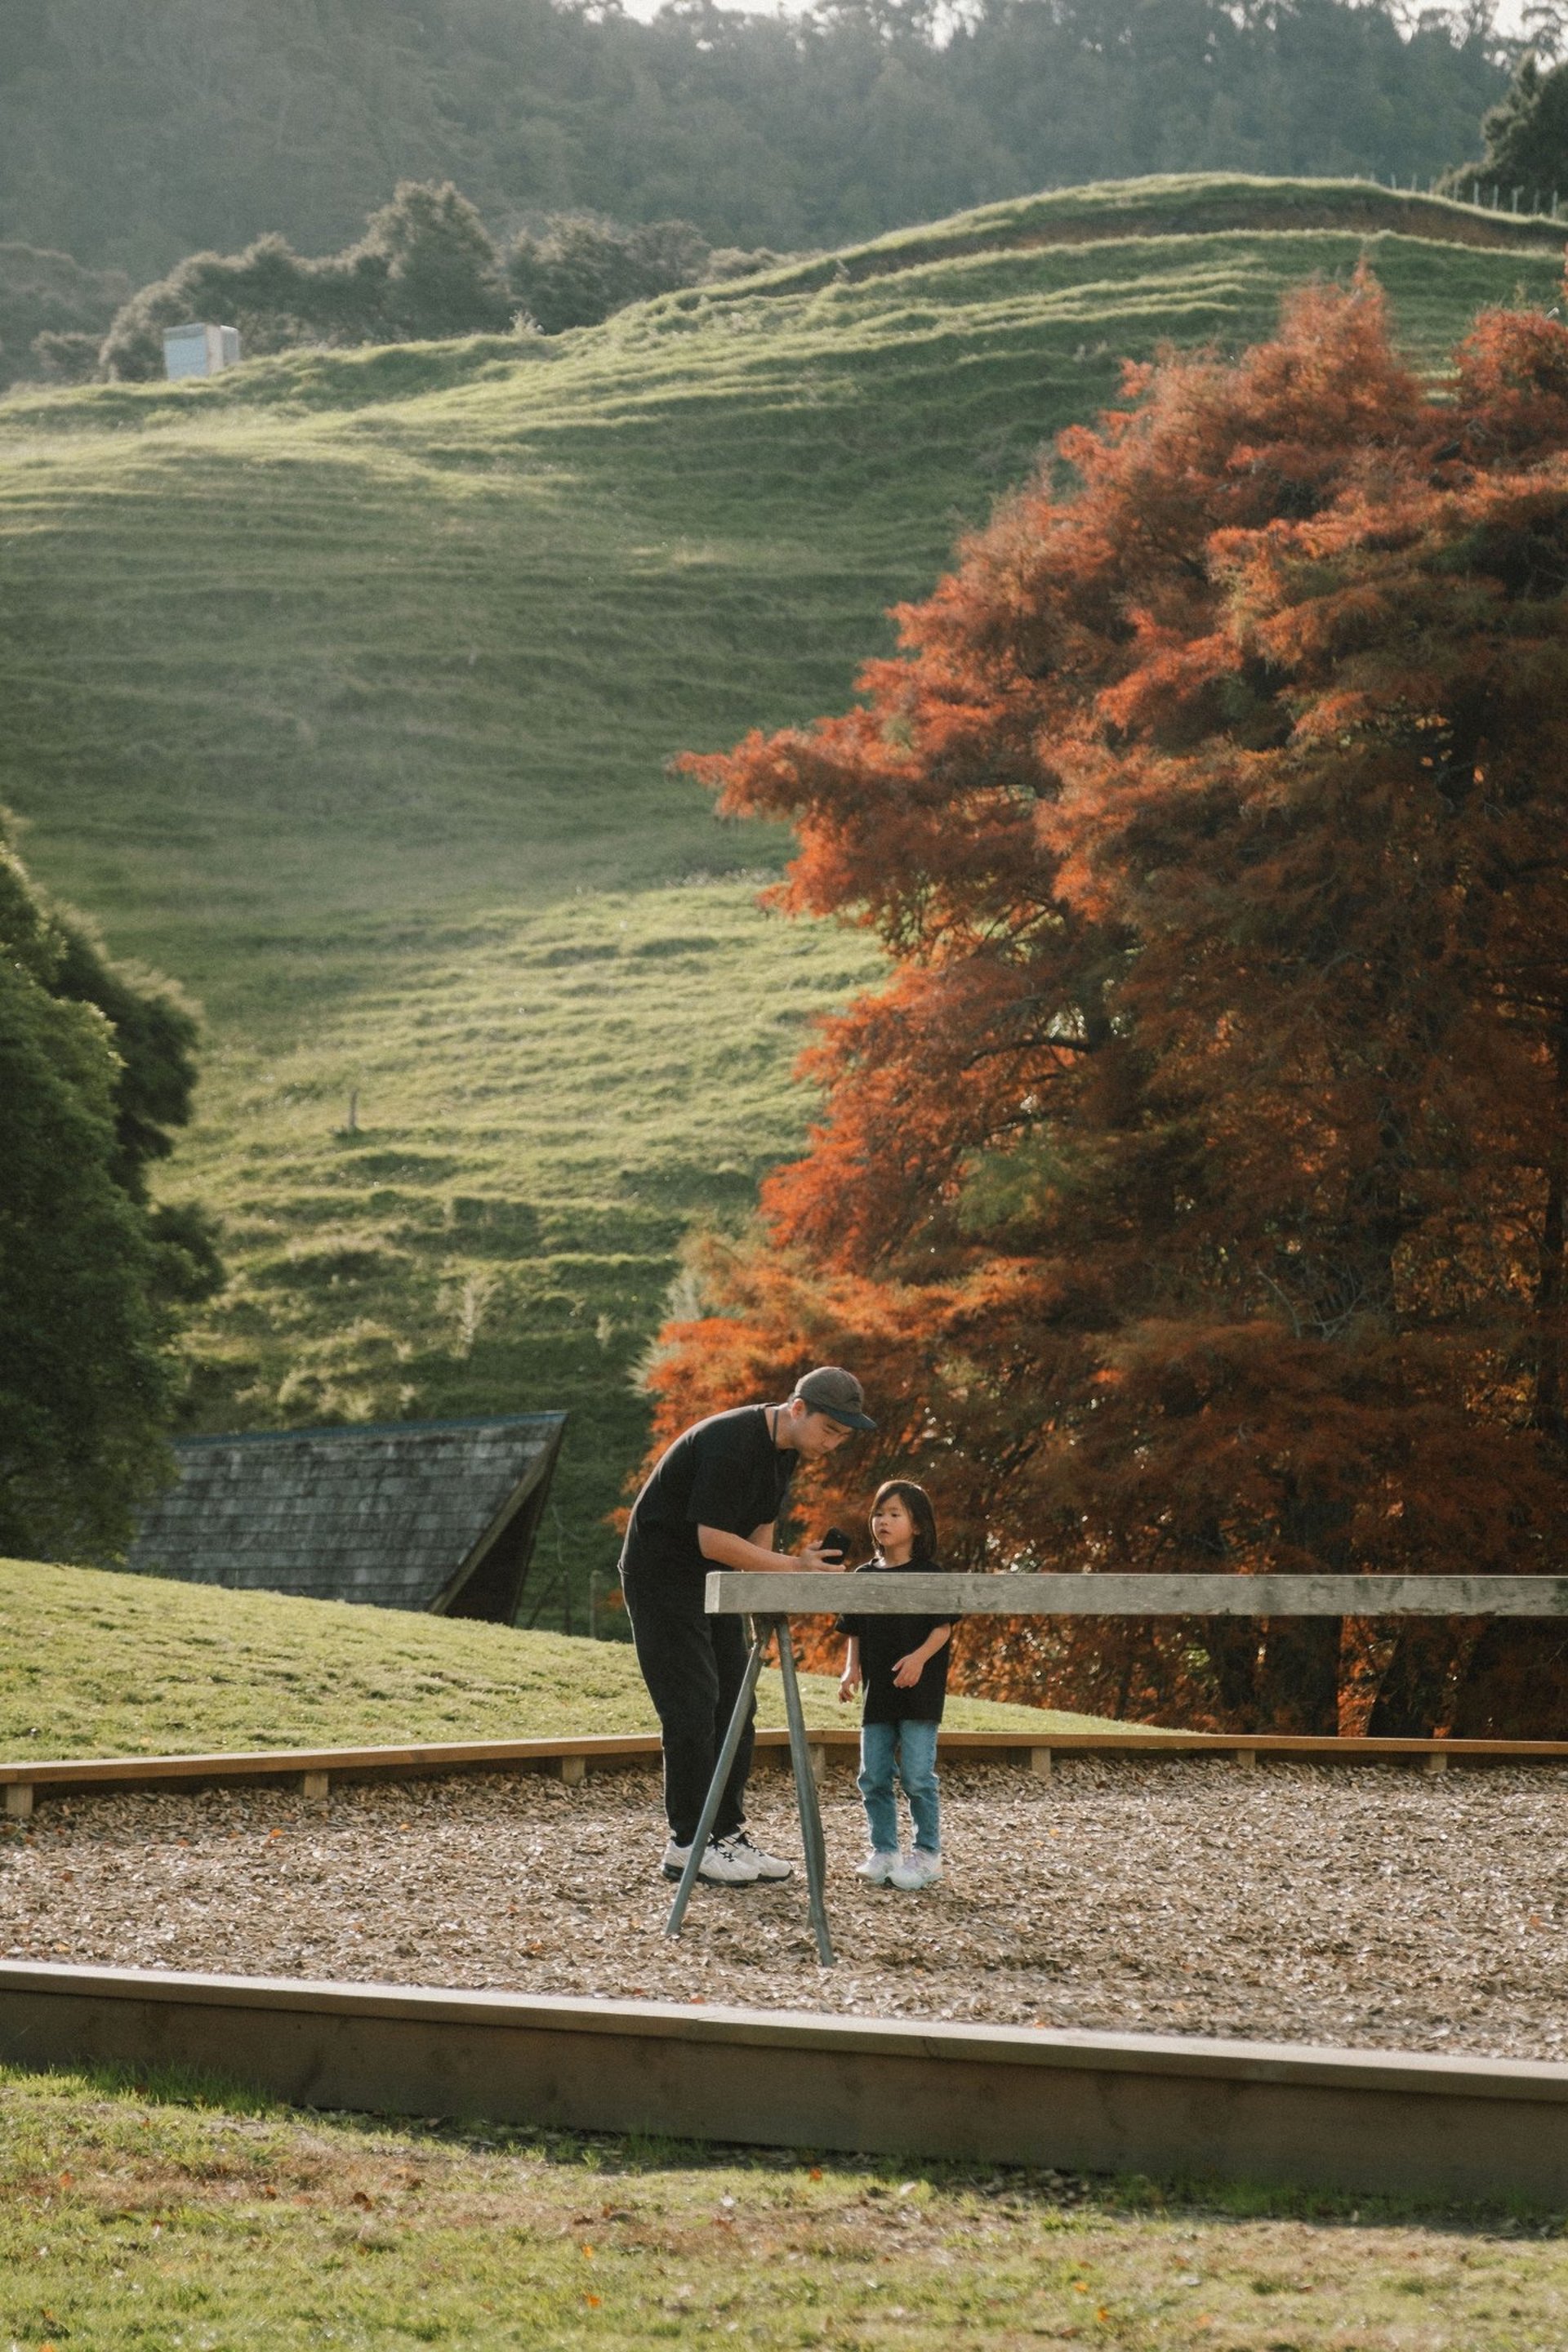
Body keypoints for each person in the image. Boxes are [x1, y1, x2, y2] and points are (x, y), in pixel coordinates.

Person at [619, 1365, 875, 1886]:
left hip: (717, 1584)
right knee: (692, 1704)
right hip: (662, 1578)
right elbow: (712, 1540)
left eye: (843, 1437)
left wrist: (776, 1581)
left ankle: (727, 1834)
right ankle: (688, 1843)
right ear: (798, 1408)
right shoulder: (731, 1444)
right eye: (830, 1430)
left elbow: (758, 1535)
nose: (833, 1444)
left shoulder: (784, 1453)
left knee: (738, 1702)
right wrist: (795, 1567)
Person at [837, 1479, 954, 1891]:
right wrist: (851, 1670)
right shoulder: (863, 1574)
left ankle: (927, 1854)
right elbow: (854, 1630)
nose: (883, 1521)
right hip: (878, 1692)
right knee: (873, 1775)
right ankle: (884, 1850)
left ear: (917, 1525)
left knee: (918, 1775)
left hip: (919, 1689)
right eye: (879, 1513)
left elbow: (943, 1628)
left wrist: (919, 1659)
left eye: (894, 1514)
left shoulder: (930, 1574)